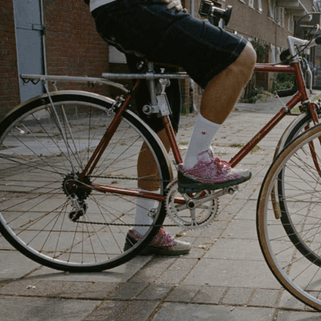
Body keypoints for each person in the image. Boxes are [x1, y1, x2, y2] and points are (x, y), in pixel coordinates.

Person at [86, 0, 256, 254]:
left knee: (160, 133)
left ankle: (143, 232)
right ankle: (197, 161)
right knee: (242, 56)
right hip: (131, 8)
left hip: (117, 12)